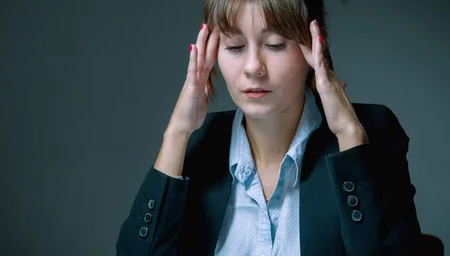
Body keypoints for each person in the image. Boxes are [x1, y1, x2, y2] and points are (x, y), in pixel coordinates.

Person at [116, 0, 422, 255]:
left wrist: (348, 134)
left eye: (275, 44)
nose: (253, 67)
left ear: (315, 45)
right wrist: (177, 133)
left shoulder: (370, 135)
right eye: (234, 46)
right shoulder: (197, 147)